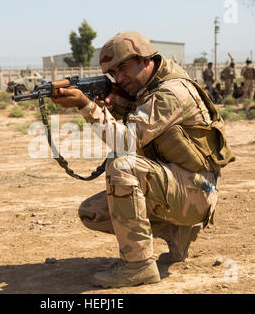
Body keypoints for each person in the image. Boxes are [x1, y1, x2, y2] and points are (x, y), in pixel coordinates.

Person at [50, 31, 235, 288]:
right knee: (93, 213)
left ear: (146, 58)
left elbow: (125, 142)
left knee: (122, 165)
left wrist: (87, 106)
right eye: (112, 73)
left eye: (123, 67)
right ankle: (176, 232)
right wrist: (116, 107)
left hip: (198, 192)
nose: (119, 77)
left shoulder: (171, 92)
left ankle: (138, 267)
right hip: (180, 186)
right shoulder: (146, 90)